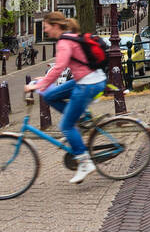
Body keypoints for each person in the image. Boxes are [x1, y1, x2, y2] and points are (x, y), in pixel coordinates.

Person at [24, 11, 107, 183]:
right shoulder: (69, 37)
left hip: (88, 84)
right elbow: (67, 65)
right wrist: (44, 81)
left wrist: (39, 85)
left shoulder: (63, 42)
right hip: (88, 79)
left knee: (66, 126)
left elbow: (59, 67)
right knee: (50, 95)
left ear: (55, 26)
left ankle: (85, 163)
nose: (45, 31)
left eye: (46, 28)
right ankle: (82, 118)